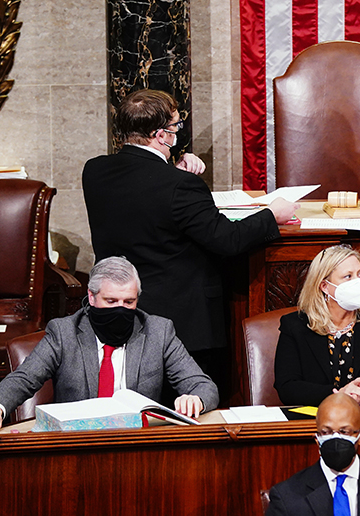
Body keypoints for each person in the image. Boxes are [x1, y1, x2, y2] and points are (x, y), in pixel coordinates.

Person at [82, 89, 299, 385]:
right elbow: (226, 239)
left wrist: (172, 170)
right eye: (175, 127)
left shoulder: (94, 172)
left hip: (120, 316)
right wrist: (272, 215)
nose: (176, 135)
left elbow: (143, 201)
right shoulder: (179, 186)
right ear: (160, 135)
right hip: (182, 325)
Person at [0, 257, 218, 432]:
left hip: (137, 446)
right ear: (91, 297)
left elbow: (203, 385)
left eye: (128, 302)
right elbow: (24, 379)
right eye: (111, 301)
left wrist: (195, 398)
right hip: (76, 446)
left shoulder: (158, 331)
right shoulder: (64, 332)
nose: (120, 309)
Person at [274, 245, 360, 407]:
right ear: (324, 286)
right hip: (317, 419)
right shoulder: (295, 326)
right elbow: (287, 387)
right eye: (348, 276)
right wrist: (339, 395)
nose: (357, 282)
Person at [265, 393, 360, 516]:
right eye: (326, 432)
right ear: (317, 439)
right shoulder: (286, 496)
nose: (335, 438)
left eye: (344, 431)